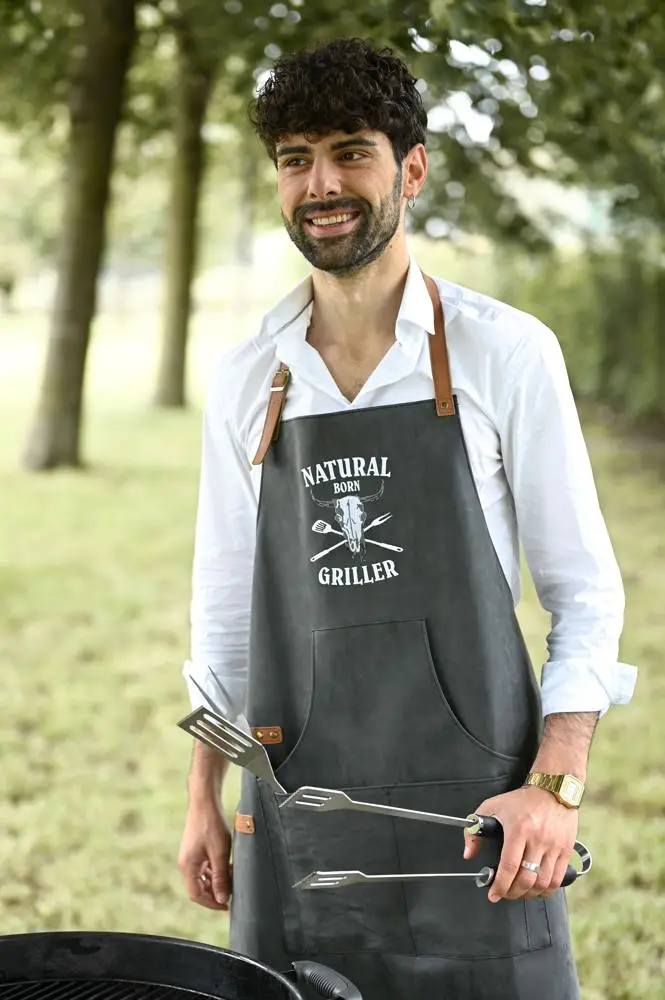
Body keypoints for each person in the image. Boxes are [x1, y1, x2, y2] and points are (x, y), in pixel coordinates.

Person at [178, 37, 637, 1000]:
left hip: (478, 814)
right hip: (299, 807)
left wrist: (554, 787)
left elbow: (584, 592)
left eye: (350, 152)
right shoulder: (248, 378)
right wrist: (202, 798)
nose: (320, 184)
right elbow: (223, 615)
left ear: (412, 170)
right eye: (296, 159)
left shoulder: (504, 353)